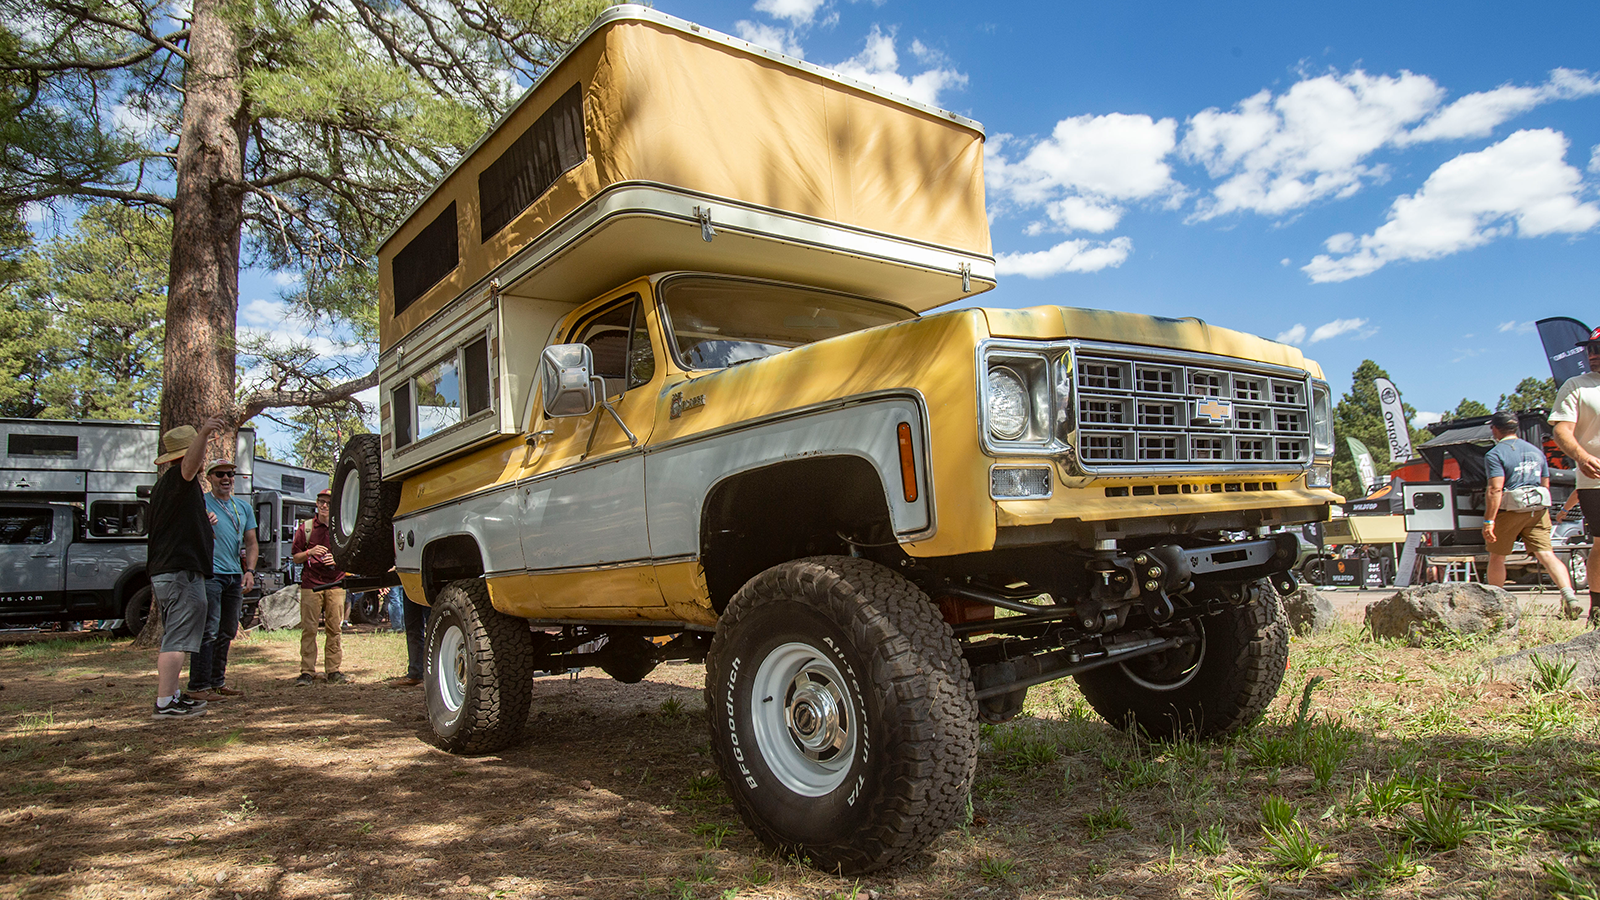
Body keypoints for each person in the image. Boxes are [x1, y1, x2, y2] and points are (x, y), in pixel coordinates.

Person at [147, 417, 226, 719]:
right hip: (180, 573)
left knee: (176, 636)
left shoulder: (167, 488)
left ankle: (173, 695)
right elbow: (190, 465)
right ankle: (165, 702)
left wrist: (202, 522)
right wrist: (205, 432)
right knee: (177, 639)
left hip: (171, 572)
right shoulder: (180, 478)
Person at [1481, 410, 1582, 616]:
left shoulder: (1495, 453)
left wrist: (1489, 520)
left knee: (1497, 557)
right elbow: (1545, 483)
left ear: (1495, 429)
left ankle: (1498, 607)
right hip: (1538, 508)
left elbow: (1495, 489)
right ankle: (1569, 596)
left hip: (1510, 509)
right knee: (1547, 554)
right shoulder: (1536, 451)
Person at [186, 459, 258, 701]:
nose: (226, 479)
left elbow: (251, 542)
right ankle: (198, 685)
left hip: (234, 575)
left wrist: (249, 571)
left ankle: (217, 682)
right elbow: (186, 534)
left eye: (229, 474)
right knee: (209, 629)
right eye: (219, 475)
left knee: (227, 630)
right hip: (210, 574)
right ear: (209, 478)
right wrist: (202, 524)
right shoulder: (201, 503)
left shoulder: (243, 507)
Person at [1551, 328, 1600, 627]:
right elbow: (1561, 430)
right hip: (1596, 480)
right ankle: (1597, 611)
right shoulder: (1576, 386)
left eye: (1599, 349)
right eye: (1590, 350)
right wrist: (1582, 457)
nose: (1593, 355)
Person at [291, 489, 349, 685]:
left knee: (335, 629)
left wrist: (338, 559)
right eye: (321, 502)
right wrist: (310, 552)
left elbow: (350, 555)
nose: (324, 506)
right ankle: (307, 671)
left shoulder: (343, 528)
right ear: (316, 504)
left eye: (329, 503)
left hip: (336, 584)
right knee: (309, 629)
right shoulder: (306, 528)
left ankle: (333, 670)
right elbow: (296, 558)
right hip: (310, 585)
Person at [383, 576, 429, 688]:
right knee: (412, 628)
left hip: (431, 581)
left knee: (435, 628)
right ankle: (415, 674)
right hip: (410, 582)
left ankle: (434, 676)